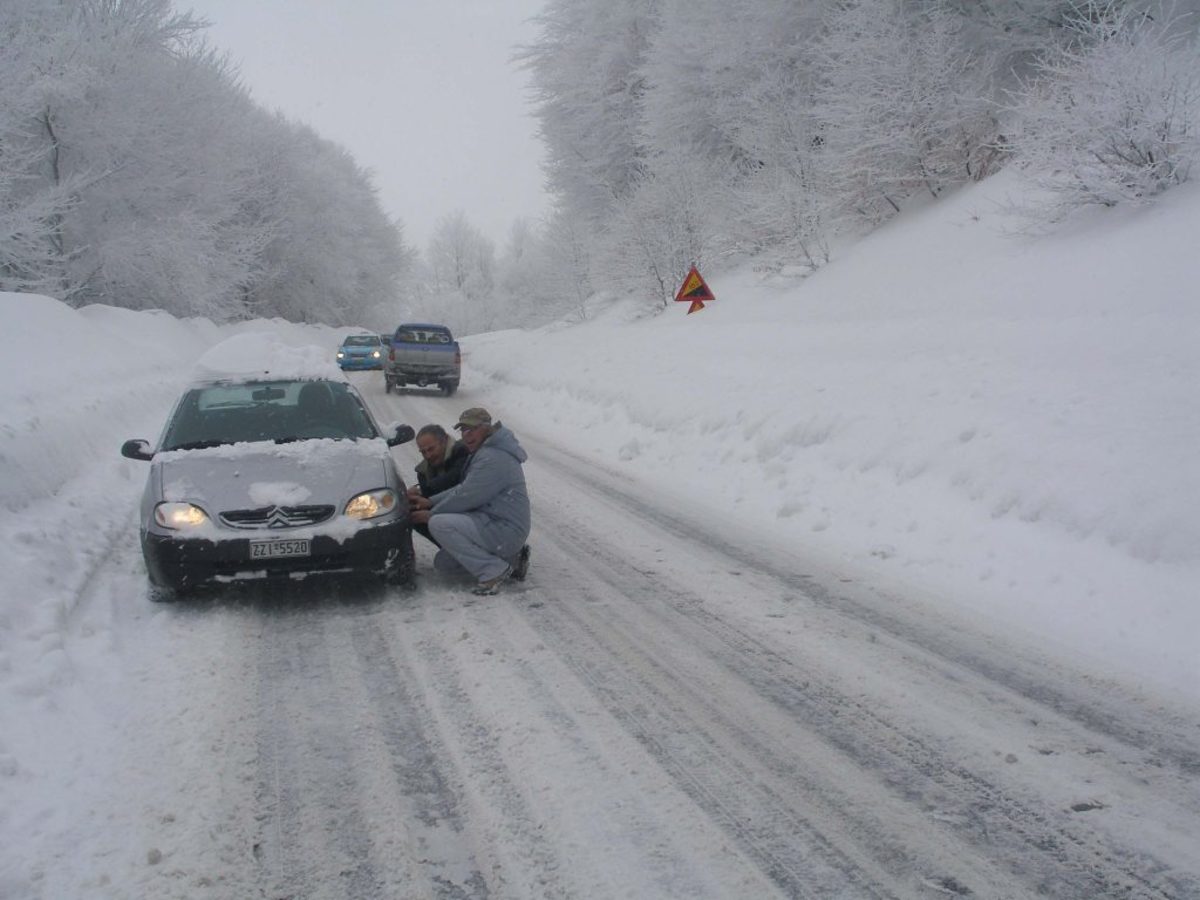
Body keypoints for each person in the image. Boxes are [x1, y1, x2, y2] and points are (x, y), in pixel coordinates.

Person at [409, 407, 531, 594]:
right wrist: (430, 501)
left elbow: (467, 495)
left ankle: (492, 571)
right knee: (444, 564)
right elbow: (465, 488)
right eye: (463, 430)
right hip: (493, 524)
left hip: (505, 529)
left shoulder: (493, 457)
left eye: (472, 429)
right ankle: (512, 560)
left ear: (487, 428)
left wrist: (431, 513)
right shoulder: (485, 451)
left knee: (439, 523)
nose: (467, 435)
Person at [406, 424, 470, 546]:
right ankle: (451, 549)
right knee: (412, 513)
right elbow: (427, 496)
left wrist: (421, 492)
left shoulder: (462, 452)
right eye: (423, 452)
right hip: (449, 510)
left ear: (444, 441)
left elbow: (453, 479)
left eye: (431, 449)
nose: (428, 455)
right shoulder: (423, 471)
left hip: (470, 510)